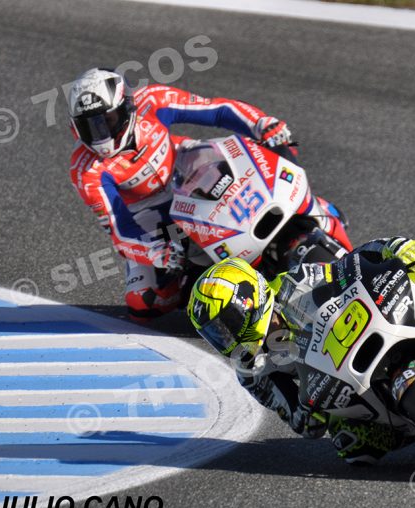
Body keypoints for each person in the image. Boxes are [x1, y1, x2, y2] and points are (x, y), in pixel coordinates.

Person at [186, 235, 415, 464]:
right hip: (347, 384)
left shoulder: (295, 282)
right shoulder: (253, 370)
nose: (226, 338)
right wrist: (313, 410)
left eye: (226, 324)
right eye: (215, 334)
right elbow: (299, 421)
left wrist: (391, 252)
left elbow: (349, 266)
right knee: (354, 450)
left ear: (248, 299)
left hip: (377, 327)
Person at [67, 68, 293, 321]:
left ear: (125, 107)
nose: (101, 136)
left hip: (189, 168)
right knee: (144, 304)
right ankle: (201, 277)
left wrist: (261, 123)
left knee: (261, 163)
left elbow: (216, 110)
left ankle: (306, 211)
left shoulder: (152, 100)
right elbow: (120, 230)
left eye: (106, 121)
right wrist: (156, 251)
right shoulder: (85, 170)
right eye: (90, 127)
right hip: (151, 214)